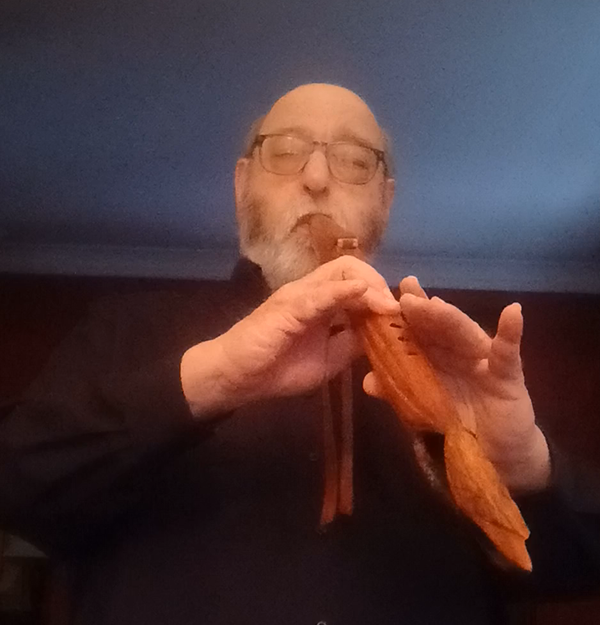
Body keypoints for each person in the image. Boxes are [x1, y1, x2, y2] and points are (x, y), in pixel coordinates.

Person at [1, 83, 599, 625]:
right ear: (243, 185)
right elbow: (17, 491)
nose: (316, 178)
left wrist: (526, 467)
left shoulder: (455, 358)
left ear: (385, 200)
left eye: (354, 160)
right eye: (286, 151)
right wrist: (214, 377)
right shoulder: (126, 328)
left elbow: (573, 572)